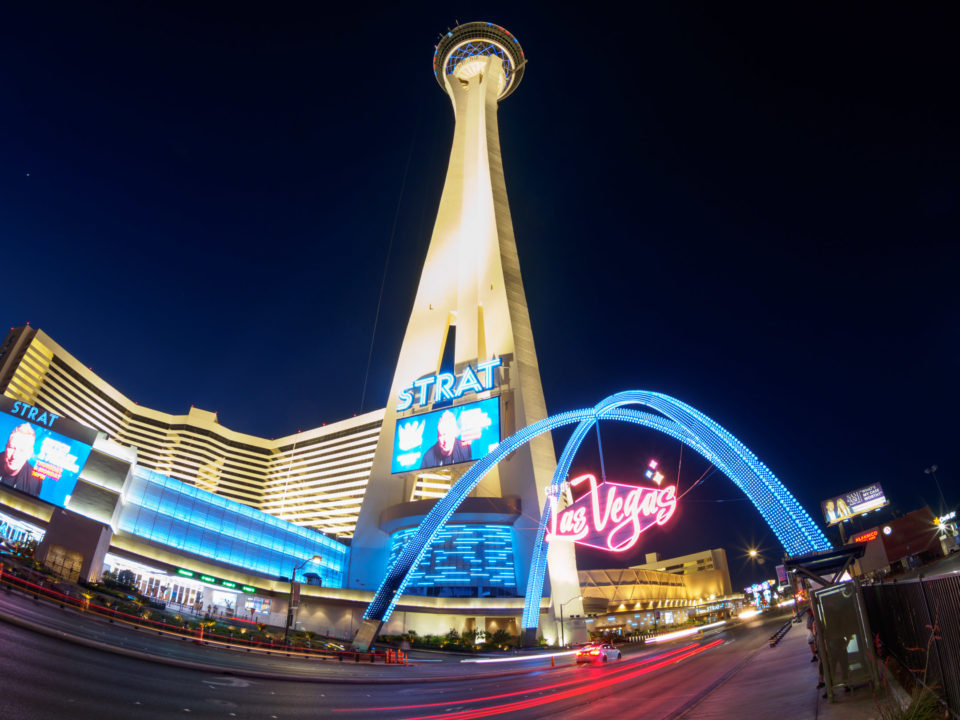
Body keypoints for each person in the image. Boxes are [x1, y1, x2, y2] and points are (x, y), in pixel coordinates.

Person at [0, 423, 41, 497]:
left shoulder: (34, 481)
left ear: (29, 454)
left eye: (21, 450)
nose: (14, 456)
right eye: (12, 448)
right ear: (6, 447)